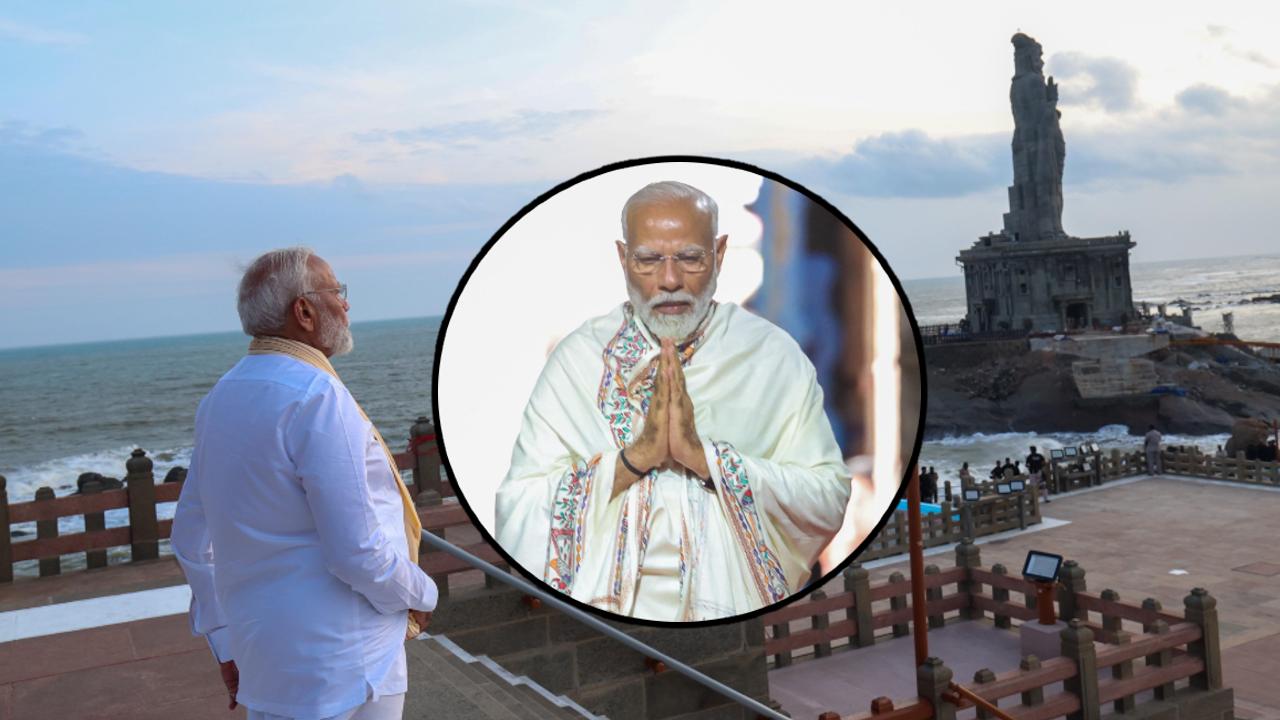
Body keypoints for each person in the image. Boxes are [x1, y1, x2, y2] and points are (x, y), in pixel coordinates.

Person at [495, 181, 852, 621]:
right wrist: (631, 461)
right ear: (624, 259)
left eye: (689, 258)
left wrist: (706, 460)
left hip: (732, 602)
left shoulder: (772, 357)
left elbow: (827, 494)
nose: (669, 280)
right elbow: (518, 508)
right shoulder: (577, 361)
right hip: (602, 609)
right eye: (648, 260)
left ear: (718, 254)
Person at [171, 247, 438, 719]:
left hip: (265, 661)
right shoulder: (317, 397)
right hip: (349, 664)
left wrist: (224, 641)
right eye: (338, 292)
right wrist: (422, 593)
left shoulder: (220, 399)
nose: (347, 305)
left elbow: (190, 540)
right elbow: (357, 554)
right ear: (305, 311)